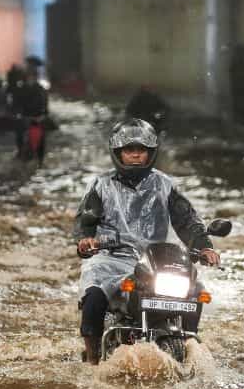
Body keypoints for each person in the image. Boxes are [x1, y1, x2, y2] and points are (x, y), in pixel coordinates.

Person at [73, 118, 221, 364]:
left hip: (153, 260)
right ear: (118, 153)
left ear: (150, 153)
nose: (135, 156)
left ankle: (189, 341)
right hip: (110, 258)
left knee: (195, 291)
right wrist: (85, 240)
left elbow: (187, 221)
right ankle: (92, 360)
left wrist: (204, 246)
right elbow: (85, 220)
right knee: (94, 298)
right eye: (129, 150)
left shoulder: (165, 184)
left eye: (140, 150)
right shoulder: (101, 185)